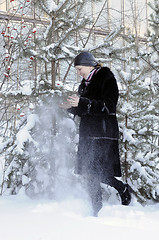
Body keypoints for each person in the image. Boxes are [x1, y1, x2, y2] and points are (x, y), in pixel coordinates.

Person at [61, 52, 131, 216]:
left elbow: (109, 106)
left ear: (89, 65)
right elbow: (87, 109)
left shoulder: (106, 78)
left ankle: (99, 208)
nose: (79, 73)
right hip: (88, 133)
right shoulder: (86, 83)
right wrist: (70, 108)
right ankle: (99, 207)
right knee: (90, 172)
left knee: (96, 172)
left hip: (103, 133)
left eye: (80, 69)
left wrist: (83, 102)